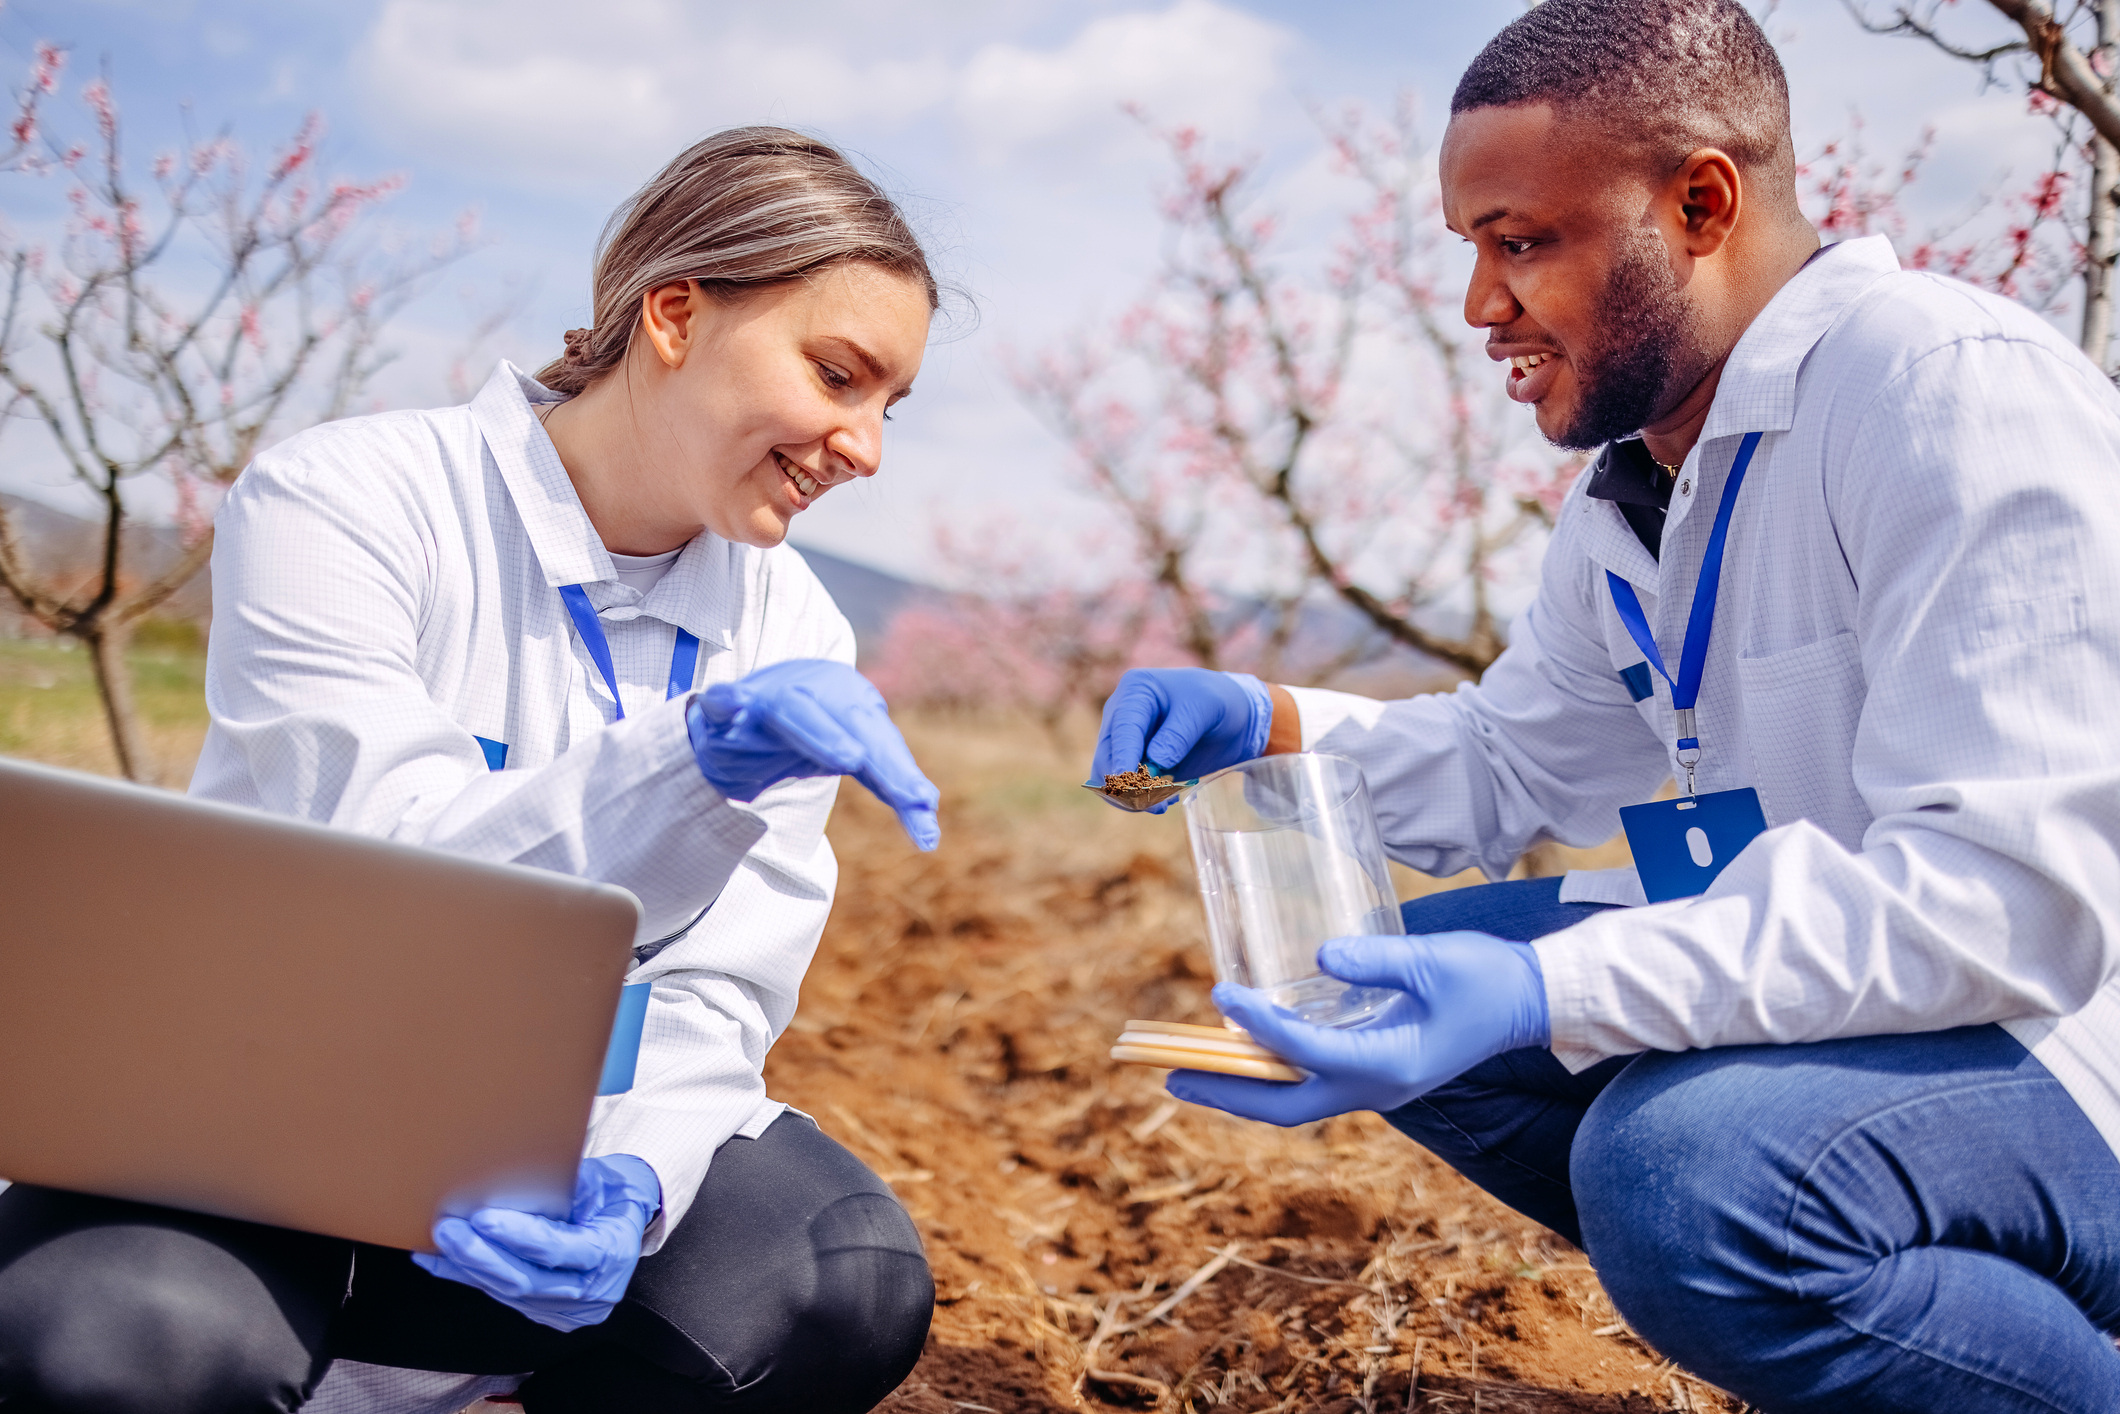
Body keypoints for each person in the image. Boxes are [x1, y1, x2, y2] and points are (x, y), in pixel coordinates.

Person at [1092, 3, 2120, 1410]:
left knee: (1689, 1171)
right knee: (1374, 967)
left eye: (1521, 242)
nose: (1477, 305)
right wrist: (1267, 722)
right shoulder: (1637, 491)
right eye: (1470, 249)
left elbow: (2008, 905)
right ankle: (1897, 1341)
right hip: (1884, 996)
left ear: (1701, 201)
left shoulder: (1943, 398)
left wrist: (1547, 988)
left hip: (2064, 1039)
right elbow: (1517, 763)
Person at [0, 128, 945, 1414]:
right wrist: (688, 762)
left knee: (842, 1276)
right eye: (838, 376)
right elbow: (387, 898)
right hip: (263, 1129)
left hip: (557, 1165)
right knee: (117, 1345)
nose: (864, 446)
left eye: (890, 406)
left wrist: (639, 1174)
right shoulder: (348, 501)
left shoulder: (793, 628)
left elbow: (723, 982)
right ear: (673, 313)